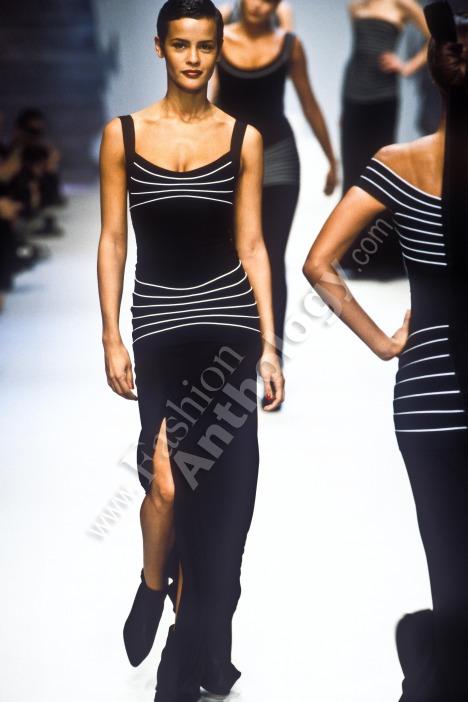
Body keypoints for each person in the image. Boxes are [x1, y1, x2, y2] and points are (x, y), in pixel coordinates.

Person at [97, 1, 284, 700]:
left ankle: (188, 653)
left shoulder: (243, 138)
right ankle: (154, 583)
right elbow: (112, 238)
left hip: (228, 333)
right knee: (168, 485)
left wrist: (270, 345)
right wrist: (110, 333)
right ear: (160, 48)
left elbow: (253, 245)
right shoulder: (123, 135)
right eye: (181, 45)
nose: (194, 59)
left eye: (205, 46)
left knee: (224, 508)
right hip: (159, 334)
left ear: (218, 50)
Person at [302, 1, 468, 698]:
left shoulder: (399, 163)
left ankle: (437, 671)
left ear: (432, 75)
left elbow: (319, 263)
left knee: (450, 565)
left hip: (428, 389)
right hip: (435, 393)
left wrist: (383, 342)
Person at [211, 0, 337, 396]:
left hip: (278, 158)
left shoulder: (289, 45)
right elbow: (205, 100)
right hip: (229, 158)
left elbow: (308, 101)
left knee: (270, 256)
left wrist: (332, 159)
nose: (257, 4)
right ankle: (228, 365)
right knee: (229, 259)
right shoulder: (218, 40)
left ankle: (270, 365)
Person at [339, 0, 430, 278]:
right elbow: (357, 53)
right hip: (353, 94)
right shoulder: (355, 6)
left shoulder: (403, 4)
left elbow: (435, 38)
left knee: (380, 175)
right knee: (353, 173)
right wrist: (343, 109)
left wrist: (407, 66)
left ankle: (384, 259)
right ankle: (353, 257)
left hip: (383, 96)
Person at [218, 0, 294, 28]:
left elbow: (288, 48)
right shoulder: (226, 12)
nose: (256, 5)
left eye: (266, 1)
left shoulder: (282, 10)